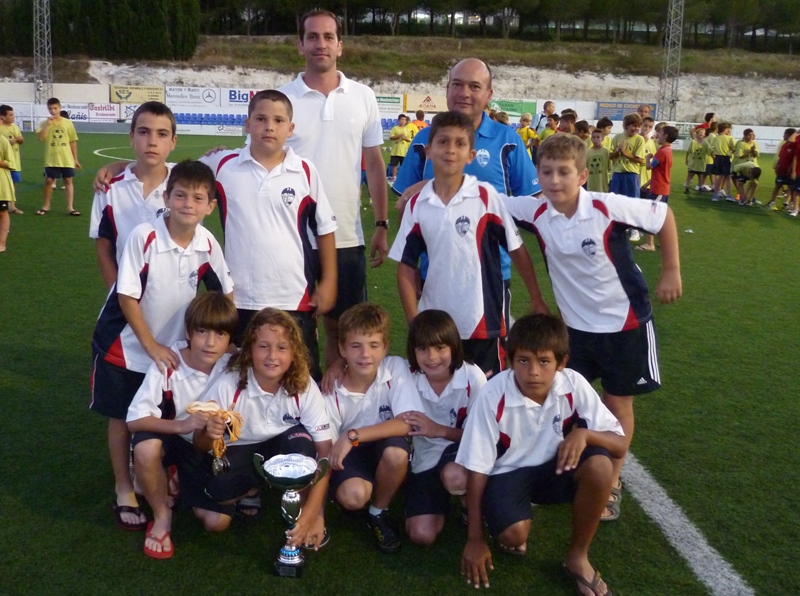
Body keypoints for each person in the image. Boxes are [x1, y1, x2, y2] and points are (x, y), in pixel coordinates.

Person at [501, 133, 682, 522]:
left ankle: (611, 481)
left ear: (582, 175)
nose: (554, 180)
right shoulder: (535, 211)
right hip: (573, 331)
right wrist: (423, 186)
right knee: (563, 402)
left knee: (617, 403)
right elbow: (485, 197)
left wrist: (671, 271)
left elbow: (663, 216)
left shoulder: (606, 206)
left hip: (626, 324)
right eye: (546, 172)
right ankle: (556, 471)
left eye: (564, 172)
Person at [90, 160, 234, 532]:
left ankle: (160, 473)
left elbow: (225, 295)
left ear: (210, 206)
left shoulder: (207, 243)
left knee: (165, 411)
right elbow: (126, 297)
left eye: (198, 198)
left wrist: (226, 342)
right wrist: (151, 345)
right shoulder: (144, 236)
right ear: (166, 198)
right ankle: (124, 487)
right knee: (122, 416)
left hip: (169, 349)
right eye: (180, 195)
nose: (188, 204)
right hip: (124, 344)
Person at [457, 313, 626, 594]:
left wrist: (585, 434)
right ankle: (507, 520)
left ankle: (578, 557)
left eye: (544, 361)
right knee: (513, 536)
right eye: (523, 360)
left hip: (555, 467)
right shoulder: (492, 395)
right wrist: (475, 539)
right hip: (508, 473)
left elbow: (619, 444)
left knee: (600, 465)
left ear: (562, 362)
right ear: (510, 361)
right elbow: (477, 468)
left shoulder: (573, 384)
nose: (533, 371)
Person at [390, 111, 547, 378]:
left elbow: (516, 248)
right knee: (438, 391)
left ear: (471, 155)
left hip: (482, 322)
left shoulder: (486, 197)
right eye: (443, 142)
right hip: (436, 325)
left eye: (460, 143)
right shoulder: (417, 204)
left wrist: (536, 298)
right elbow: (405, 267)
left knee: (487, 395)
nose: (451, 150)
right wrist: (414, 321)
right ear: (428, 151)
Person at [393, 58, 542, 337]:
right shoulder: (423, 140)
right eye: (457, 84)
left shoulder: (508, 140)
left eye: (474, 86)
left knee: (486, 352)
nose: (464, 93)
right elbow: (405, 205)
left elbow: (530, 205)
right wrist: (412, 268)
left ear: (488, 94)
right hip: (432, 273)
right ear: (447, 88)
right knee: (437, 353)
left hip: (491, 275)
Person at [200, 89, 337, 381]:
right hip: (238, 297)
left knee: (300, 379)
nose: (269, 127)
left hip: (293, 296)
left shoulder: (304, 171)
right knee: (239, 377)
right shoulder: (222, 165)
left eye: (278, 120)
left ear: (291, 128)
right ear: (247, 124)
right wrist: (121, 166)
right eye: (261, 119)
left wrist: (328, 282)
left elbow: (325, 228)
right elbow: (172, 177)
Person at [278, 9, 389, 369]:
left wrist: (381, 224)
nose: (320, 44)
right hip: (291, 238)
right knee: (292, 330)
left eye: (328, 37)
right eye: (312, 37)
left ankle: (333, 398)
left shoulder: (363, 96)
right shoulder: (281, 99)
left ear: (340, 45)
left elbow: (374, 163)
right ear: (300, 45)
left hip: (346, 236)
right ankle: (300, 396)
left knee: (343, 330)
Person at [193, 308, 333, 548]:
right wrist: (209, 432)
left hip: (284, 443)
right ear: (249, 349)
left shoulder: (303, 384)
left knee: (304, 448)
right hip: (241, 450)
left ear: (294, 352)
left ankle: (299, 507)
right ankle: (254, 487)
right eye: (263, 346)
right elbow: (199, 444)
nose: (272, 356)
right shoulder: (229, 384)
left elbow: (324, 453)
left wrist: (315, 515)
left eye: (282, 347)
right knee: (220, 492)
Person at [126, 291, 238, 558]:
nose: (210, 343)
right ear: (188, 331)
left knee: (217, 522)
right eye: (202, 331)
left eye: (220, 334)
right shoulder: (169, 361)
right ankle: (162, 514)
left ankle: (173, 477)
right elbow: (134, 420)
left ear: (230, 339)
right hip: (171, 435)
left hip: (203, 447)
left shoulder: (232, 365)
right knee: (146, 449)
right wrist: (182, 426)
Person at [324, 303, 423, 553]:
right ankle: (358, 490)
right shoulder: (330, 388)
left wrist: (353, 435)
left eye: (374, 345)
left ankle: (379, 511)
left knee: (396, 454)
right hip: (349, 453)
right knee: (353, 497)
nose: (365, 354)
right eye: (355, 346)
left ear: (386, 347)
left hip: (381, 443)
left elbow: (407, 422)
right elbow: (325, 445)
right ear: (342, 349)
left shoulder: (396, 367)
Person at [401, 309, 487, 546]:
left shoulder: (473, 378)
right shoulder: (406, 375)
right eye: (422, 349)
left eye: (440, 348)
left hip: (461, 453)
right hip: (425, 457)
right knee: (421, 535)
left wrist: (439, 430)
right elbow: (370, 365)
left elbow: (483, 437)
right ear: (413, 351)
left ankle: (468, 501)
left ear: (454, 347)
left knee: (455, 477)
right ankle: (440, 500)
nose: (432, 357)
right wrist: (338, 365)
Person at [90, 102, 177, 290]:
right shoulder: (108, 188)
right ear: (132, 137)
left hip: (177, 296)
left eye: (162, 134)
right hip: (127, 295)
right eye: (144, 132)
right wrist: (118, 295)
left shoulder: (186, 182)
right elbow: (104, 249)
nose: (152, 141)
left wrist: (117, 165)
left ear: (173, 141)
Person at [36, 97, 81, 216]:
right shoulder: (45, 123)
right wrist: (47, 125)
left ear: (60, 108)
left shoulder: (68, 123)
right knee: (49, 181)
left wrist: (75, 159)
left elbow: (72, 141)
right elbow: (40, 138)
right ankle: (46, 206)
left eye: (55, 108)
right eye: (50, 109)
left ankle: (70, 207)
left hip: (66, 158)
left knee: (68, 180)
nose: (53, 111)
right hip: (51, 158)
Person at [639, 125, 679, 251]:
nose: (657, 135)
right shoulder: (668, 151)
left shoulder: (662, 152)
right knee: (660, 215)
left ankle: (650, 244)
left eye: (660, 133)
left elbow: (649, 167)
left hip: (659, 189)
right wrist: (647, 184)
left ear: (665, 135)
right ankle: (666, 241)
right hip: (661, 187)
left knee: (652, 214)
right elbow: (659, 172)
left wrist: (648, 157)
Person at [609, 113, 646, 240]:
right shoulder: (617, 137)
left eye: (638, 126)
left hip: (631, 173)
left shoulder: (639, 139)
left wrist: (625, 152)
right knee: (616, 202)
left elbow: (640, 159)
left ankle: (634, 229)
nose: (636, 129)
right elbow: (610, 156)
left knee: (633, 202)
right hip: (617, 173)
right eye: (633, 126)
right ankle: (619, 227)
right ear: (625, 126)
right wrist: (618, 151)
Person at [0, 105, 24, 213]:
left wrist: (20, 139)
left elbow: (21, 140)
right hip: (3, 162)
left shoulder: (15, 127)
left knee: (13, 183)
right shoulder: (1, 128)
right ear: (3, 116)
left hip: (14, 161)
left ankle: (12, 206)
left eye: (13, 114)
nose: (13, 117)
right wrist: (9, 142)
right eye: (10, 115)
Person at [769, 128, 797, 210]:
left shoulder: (794, 146)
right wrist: (777, 166)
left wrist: (791, 169)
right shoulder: (784, 145)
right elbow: (781, 157)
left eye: (785, 134)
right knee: (777, 186)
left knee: (791, 188)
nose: (783, 136)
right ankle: (772, 203)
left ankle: (789, 204)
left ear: (789, 135)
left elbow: (794, 159)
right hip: (781, 170)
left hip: (790, 171)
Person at [711, 122, 735, 202]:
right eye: (729, 128)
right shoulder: (730, 138)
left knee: (718, 177)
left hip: (717, 158)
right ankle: (729, 195)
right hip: (726, 158)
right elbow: (735, 148)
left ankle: (715, 195)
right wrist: (731, 152)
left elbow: (712, 148)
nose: (730, 130)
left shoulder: (715, 138)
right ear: (725, 129)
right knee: (728, 177)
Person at [684, 127, 711, 193]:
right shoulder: (693, 142)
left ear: (704, 134)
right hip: (693, 162)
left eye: (703, 133)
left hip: (701, 163)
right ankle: (687, 187)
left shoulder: (706, 143)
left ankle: (700, 187)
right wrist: (686, 159)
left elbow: (710, 151)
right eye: (700, 132)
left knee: (701, 176)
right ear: (697, 134)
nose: (701, 134)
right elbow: (688, 151)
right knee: (690, 175)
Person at [389, 114, 414, 181]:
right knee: (394, 164)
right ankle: (394, 176)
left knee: (404, 165)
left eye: (405, 120)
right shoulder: (395, 128)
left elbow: (409, 139)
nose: (403, 121)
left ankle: (403, 177)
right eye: (402, 119)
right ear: (399, 120)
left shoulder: (407, 130)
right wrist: (398, 136)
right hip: (395, 150)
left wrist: (405, 138)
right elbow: (391, 137)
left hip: (403, 151)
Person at [0, 133, 14, 251]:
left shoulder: (2, 140)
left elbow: (11, 163)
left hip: (1, 184)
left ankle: (2, 244)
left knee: (2, 212)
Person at [639, 117, 656, 193]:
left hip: (646, 175)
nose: (647, 128)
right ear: (640, 125)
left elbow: (654, 158)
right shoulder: (635, 139)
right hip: (636, 173)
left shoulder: (651, 142)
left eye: (650, 127)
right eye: (645, 125)